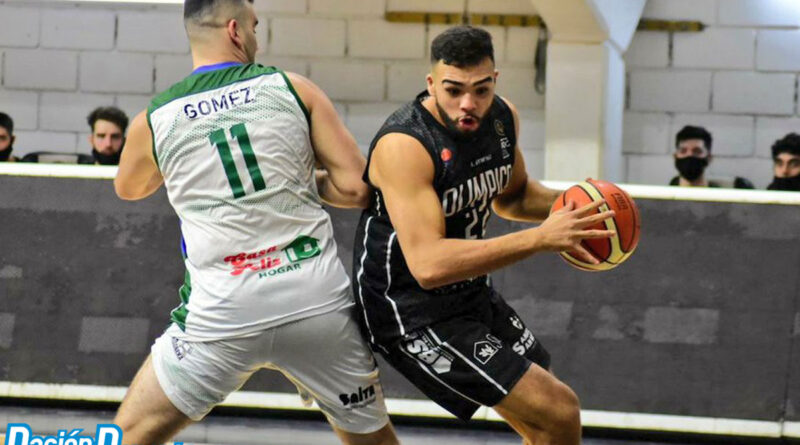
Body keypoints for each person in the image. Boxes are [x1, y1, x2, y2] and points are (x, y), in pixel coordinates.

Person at [112, 1, 399, 444]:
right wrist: (300, 180)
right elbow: (357, 189)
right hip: (315, 303)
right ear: (235, 30)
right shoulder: (293, 89)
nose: (256, 40)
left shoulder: (156, 118)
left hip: (223, 315)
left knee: (129, 435)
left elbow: (129, 188)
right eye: (255, 27)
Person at [353, 25, 615, 445]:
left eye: (481, 90)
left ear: (495, 80)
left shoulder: (502, 119)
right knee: (558, 409)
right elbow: (428, 266)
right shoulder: (406, 144)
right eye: (453, 90)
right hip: (409, 307)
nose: (468, 104)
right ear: (431, 83)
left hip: (469, 291)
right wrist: (541, 238)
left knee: (547, 412)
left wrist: (582, 205)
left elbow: (515, 198)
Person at [668, 125, 753, 189]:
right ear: (675, 157)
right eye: (683, 151)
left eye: (697, 151)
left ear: (709, 158)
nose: (689, 155)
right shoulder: (666, 196)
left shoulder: (721, 197)